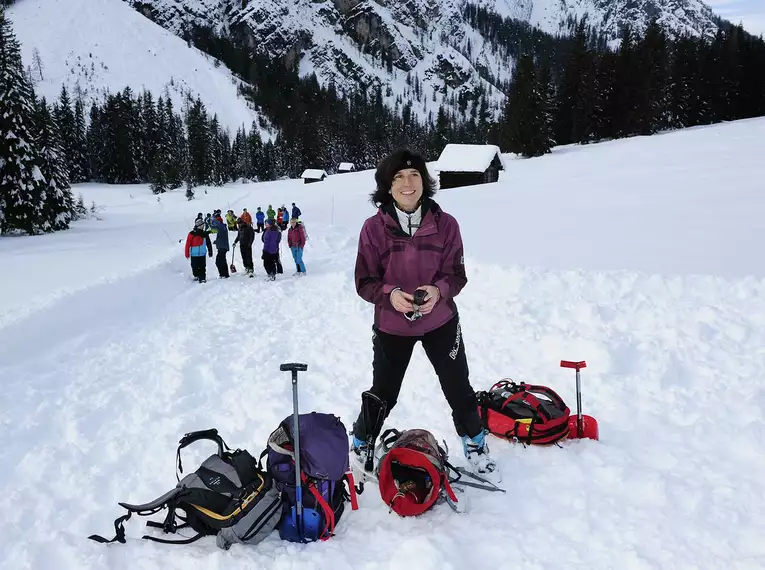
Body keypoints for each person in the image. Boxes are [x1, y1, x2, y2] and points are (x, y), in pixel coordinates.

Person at [350, 148, 497, 478]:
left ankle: (475, 443)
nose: (407, 183)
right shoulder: (373, 229)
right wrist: (389, 295)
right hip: (392, 326)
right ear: (387, 186)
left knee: (458, 386)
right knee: (384, 392)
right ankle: (361, 440)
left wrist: (439, 291)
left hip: (440, 321)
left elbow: (457, 275)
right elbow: (364, 282)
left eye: (414, 175)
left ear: (424, 181)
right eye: (398, 177)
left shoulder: (446, 225)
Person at [184, 218, 213, 283]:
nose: (202, 226)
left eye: (203, 225)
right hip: (194, 254)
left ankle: (202, 278)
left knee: (202, 267)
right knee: (194, 266)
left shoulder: (205, 234)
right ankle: (196, 275)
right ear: (198, 225)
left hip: (202, 254)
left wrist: (210, 251)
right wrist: (187, 253)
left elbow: (208, 243)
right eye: (201, 225)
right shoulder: (192, 234)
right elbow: (188, 244)